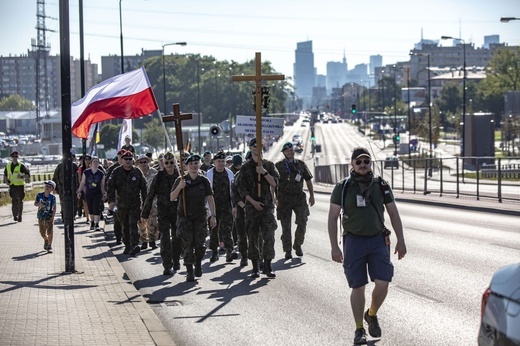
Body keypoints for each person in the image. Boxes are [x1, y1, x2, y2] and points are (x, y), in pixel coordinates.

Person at [327, 147, 407, 344]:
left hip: (378, 240)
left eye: (366, 161)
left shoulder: (380, 185)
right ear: (352, 164)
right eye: (359, 162)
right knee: (358, 286)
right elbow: (332, 217)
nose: (363, 165)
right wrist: (334, 247)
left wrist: (401, 240)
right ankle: (359, 329)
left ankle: (371, 313)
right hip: (353, 241)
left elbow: (393, 213)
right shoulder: (343, 187)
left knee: (383, 282)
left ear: (370, 163)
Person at [237, 138, 279, 278]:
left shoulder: (269, 165)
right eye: (254, 145)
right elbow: (242, 189)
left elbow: (275, 183)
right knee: (253, 238)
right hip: (252, 208)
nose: (257, 147)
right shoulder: (245, 167)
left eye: (259, 145)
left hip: (267, 207)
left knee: (269, 237)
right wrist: (253, 202)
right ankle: (255, 267)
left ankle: (267, 266)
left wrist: (264, 172)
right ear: (250, 147)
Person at [171, 154, 216, 282]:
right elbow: (172, 197)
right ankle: (189, 270)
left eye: (196, 163)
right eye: (190, 164)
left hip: (200, 216)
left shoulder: (204, 180)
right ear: (186, 166)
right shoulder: (180, 180)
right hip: (185, 217)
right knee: (187, 243)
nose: (193, 166)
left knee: (200, 243)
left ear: (199, 165)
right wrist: (180, 187)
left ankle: (198, 263)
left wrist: (213, 215)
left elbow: (210, 198)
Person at [142, 152, 181, 275]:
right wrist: (145, 213)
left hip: (177, 211)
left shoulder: (180, 176)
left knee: (177, 237)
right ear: (163, 164)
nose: (169, 165)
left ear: (175, 163)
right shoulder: (159, 176)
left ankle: (176, 260)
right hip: (163, 211)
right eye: (167, 163)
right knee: (164, 237)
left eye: (171, 162)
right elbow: (151, 194)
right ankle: (167, 264)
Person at [275, 142, 315, 259]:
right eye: (288, 151)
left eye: (291, 150)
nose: (290, 152)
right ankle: (287, 250)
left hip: (299, 198)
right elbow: (273, 183)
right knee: (286, 226)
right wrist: (275, 197)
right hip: (284, 199)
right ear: (284, 153)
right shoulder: (278, 166)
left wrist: (312, 195)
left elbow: (308, 180)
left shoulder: (301, 164)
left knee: (302, 221)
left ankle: (298, 245)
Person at [108, 150, 147, 256]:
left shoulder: (137, 172)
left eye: (130, 159)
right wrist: (111, 201)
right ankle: (127, 245)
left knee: (133, 224)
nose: (128, 161)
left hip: (135, 204)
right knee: (125, 225)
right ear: (122, 160)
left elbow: (143, 188)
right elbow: (110, 187)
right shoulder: (116, 172)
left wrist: (145, 203)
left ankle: (134, 245)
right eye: (126, 159)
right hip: (121, 204)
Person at [206, 150, 237, 263]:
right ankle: (214, 252)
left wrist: (234, 206)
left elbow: (233, 191)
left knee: (227, 229)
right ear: (214, 162)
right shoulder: (209, 174)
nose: (221, 163)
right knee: (213, 230)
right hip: (213, 207)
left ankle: (230, 251)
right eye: (219, 161)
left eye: (223, 161)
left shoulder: (229, 174)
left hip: (226, 206)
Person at [77, 156, 106, 231]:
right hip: (89, 193)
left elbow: (102, 185)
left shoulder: (101, 173)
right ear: (91, 163)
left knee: (96, 207)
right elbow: (82, 182)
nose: (95, 163)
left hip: (97, 193)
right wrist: (79, 191)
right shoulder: (86, 172)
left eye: (97, 162)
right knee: (90, 209)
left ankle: (97, 224)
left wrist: (104, 193)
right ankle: (92, 222)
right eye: (94, 162)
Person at [136, 154, 158, 250]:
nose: (143, 164)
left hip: (153, 201)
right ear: (138, 163)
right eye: (141, 162)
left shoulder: (154, 172)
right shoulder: (136, 173)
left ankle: (152, 240)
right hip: (140, 201)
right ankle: (144, 240)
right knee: (141, 222)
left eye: (145, 161)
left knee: (152, 221)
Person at [3, 151, 30, 222]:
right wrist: (6, 181)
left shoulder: (21, 165)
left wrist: (21, 176)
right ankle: (15, 215)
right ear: (11, 157)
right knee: (14, 201)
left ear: (18, 157)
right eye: (13, 156)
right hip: (12, 186)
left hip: (20, 186)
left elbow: (28, 175)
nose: (15, 158)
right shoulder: (8, 165)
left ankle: (19, 215)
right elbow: (5, 174)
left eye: (16, 156)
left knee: (19, 200)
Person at [34, 180, 57, 253]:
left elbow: (54, 207)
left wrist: (53, 217)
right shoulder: (39, 195)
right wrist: (39, 205)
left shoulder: (52, 197)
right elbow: (35, 203)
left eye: (49, 187)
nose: (47, 187)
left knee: (50, 232)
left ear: (52, 189)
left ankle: (49, 246)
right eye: (46, 186)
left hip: (49, 216)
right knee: (42, 232)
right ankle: (46, 239)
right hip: (41, 216)